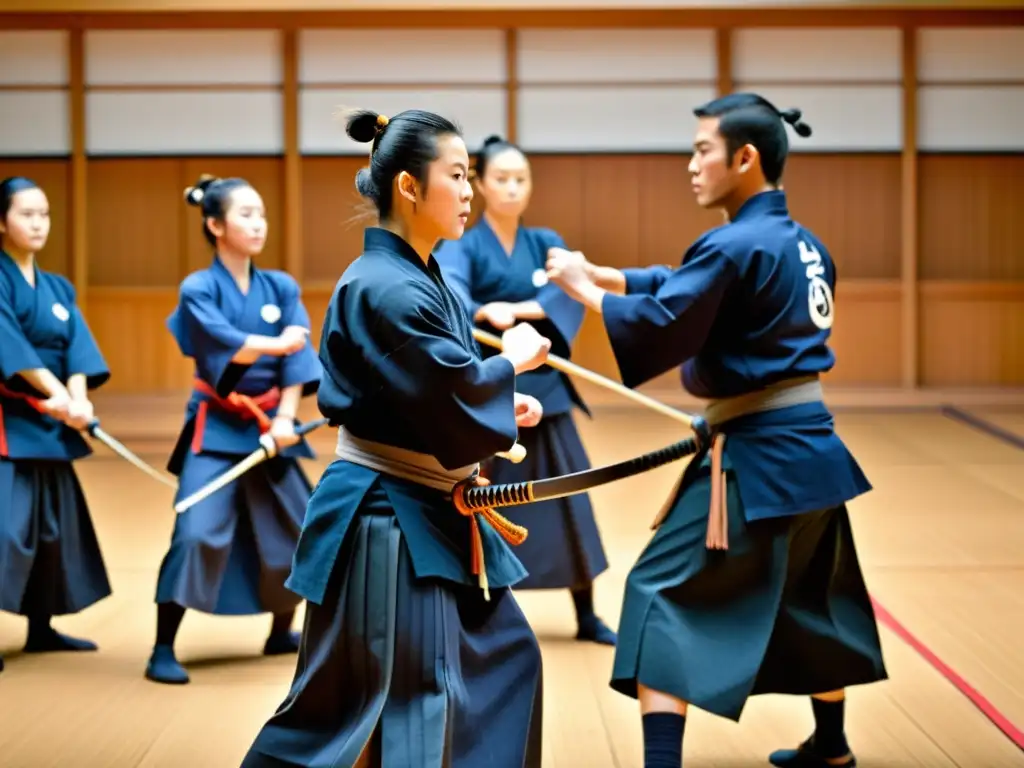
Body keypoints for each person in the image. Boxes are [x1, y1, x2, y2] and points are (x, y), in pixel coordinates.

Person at [545, 93, 888, 768]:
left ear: (745, 157)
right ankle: (833, 744)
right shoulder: (802, 243)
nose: (692, 164)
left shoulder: (732, 243)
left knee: (657, 594)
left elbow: (668, 317)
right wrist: (604, 275)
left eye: (703, 149)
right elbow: (690, 286)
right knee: (809, 595)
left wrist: (584, 291)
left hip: (757, 458)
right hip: (813, 452)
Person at [241, 108, 552, 768]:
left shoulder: (417, 275)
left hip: (423, 509)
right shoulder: (385, 285)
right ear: (409, 187)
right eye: (459, 176)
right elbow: (449, 392)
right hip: (389, 520)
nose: (470, 192)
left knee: (499, 662)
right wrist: (510, 364)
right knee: (407, 701)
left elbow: (436, 387)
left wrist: (499, 394)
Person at [435, 134, 615, 646]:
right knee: (483, 503)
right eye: (502, 179)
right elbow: (454, 294)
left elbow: (568, 292)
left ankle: (586, 614)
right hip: (494, 386)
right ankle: (480, 614)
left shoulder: (544, 241)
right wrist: (481, 312)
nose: (513, 188)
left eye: (521, 179)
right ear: (480, 184)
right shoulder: (463, 244)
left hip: (548, 391)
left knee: (569, 502)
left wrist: (518, 311)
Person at [145, 175, 321, 685]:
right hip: (218, 424)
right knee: (197, 531)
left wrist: (286, 420)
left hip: (272, 427)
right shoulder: (198, 288)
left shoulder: (281, 287)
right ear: (215, 225)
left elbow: (299, 359)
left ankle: (279, 631)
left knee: (298, 529)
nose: (258, 223)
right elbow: (227, 345)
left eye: (261, 213)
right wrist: (279, 343)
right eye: (245, 214)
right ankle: (162, 646)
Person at [0, 176, 112, 673]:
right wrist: (57, 394)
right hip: (9, 421)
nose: (38, 222)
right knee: (6, 530)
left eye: (44, 213)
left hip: (52, 425)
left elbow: (78, 349)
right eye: (27, 214)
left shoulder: (58, 287)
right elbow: (9, 345)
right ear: (2, 221)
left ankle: (41, 628)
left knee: (51, 531)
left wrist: (79, 399)